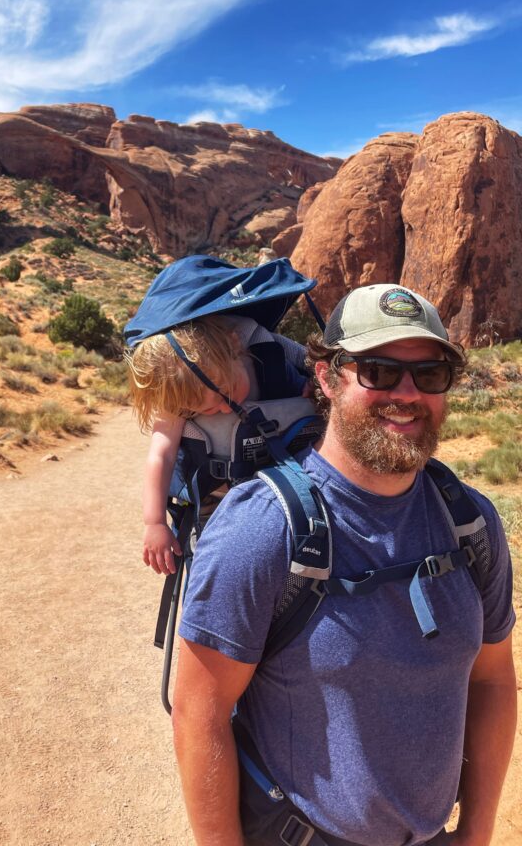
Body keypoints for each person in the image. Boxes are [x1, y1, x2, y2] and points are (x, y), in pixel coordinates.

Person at [173, 283, 516, 846]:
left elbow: (495, 679)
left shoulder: (470, 520)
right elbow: (199, 712)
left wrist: (476, 833)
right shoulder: (262, 527)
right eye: (378, 371)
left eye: (429, 374)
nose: (406, 394)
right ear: (328, 378)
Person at [126, 313, 308, 576]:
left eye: (229, 391)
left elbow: (312, 368)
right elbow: (161, 455)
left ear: (235, 347)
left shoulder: (260, 347)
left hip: (287, 492)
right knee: (218, 572)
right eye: (208, 410)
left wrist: (314, 384)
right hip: (217, 503)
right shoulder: (179, 391)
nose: (225, 407)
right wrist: (154, 522)